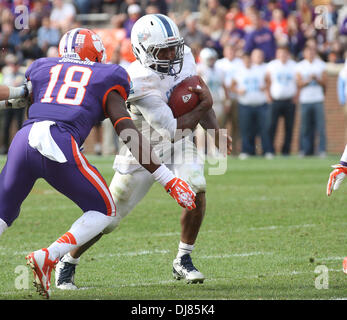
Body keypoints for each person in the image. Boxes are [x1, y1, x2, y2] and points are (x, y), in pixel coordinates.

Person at [0, 28, 198, 299]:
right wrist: (168, 179)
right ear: (95, 53)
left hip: (23, 140)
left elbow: (18, 94)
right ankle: (49, 256)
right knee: (104, 210)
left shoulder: (41, 68)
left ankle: (49, 258)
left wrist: (18, 93)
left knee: (3, 213)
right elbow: (128, 133)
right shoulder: (108, 75)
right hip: (58, 141)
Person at [55, 14, 232, 289]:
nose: (172, 55)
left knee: (196, 189)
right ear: (142, 50)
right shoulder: (137, 79)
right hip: (142, 148)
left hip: (181, 142)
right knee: (108, 217)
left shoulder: (184, 55)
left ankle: (183, 260)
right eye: (163, 50)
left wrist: (215, 131)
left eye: (174, 47)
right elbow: (172, 127)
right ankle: (68, 260)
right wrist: (205, 105)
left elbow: (197, 97)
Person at [231, 50, 271, 159]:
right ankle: (247, 151)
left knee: (263, 128)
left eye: (249, 60)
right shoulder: (239, 72)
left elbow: (268, 80)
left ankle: (266, 150)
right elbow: (232, 85)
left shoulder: (259, 70)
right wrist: (238, 91)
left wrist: (265, 87)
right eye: (245, 60)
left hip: (260, 103)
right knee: (246, 129)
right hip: (245, 104)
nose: (247, 62)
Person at [265, 45, 297, 156]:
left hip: (289, 100)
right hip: (275, 100)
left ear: (288, 54)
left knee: (289, 127)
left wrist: (296, 96)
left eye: (284, 53)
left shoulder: (294, 66)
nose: (282, 55)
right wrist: (268, 95)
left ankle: (286, 151)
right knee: (272, 126)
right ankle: (270, 150)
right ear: (277, 54)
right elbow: (267, 81)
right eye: (280, 53)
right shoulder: (272, 66)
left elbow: (298, 82)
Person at [296, 45, 327, 157]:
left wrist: (316, 79)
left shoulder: (321, 65)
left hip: (318, 99)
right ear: (304, 54)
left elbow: (325, 82)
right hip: (305, 100)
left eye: (312, 52)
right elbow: (298, 84)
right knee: (305, 127)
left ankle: (322, 150)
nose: (310, 54)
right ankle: (305, 150)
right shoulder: (300, 66)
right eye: (308, 52)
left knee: (320, 126)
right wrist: (308, 80)